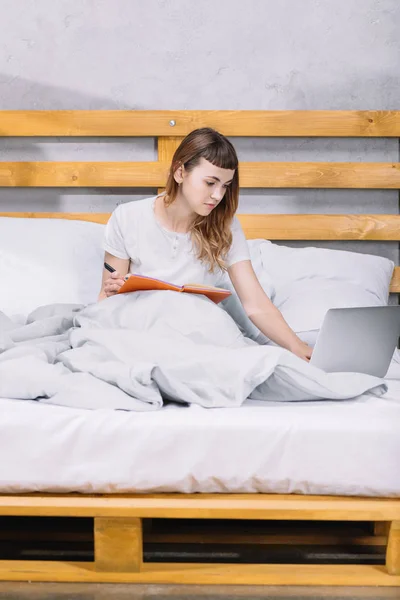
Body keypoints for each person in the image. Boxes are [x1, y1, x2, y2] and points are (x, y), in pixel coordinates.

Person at [98, 127, 312, 362]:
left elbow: (255, 304)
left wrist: (297, 346)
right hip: (145, 327)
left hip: (200, 330)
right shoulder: (127, 217)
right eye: (210, 182)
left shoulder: (226, 225)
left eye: (225, 185)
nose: (218, 195)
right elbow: (107, 296)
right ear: (180, 172)